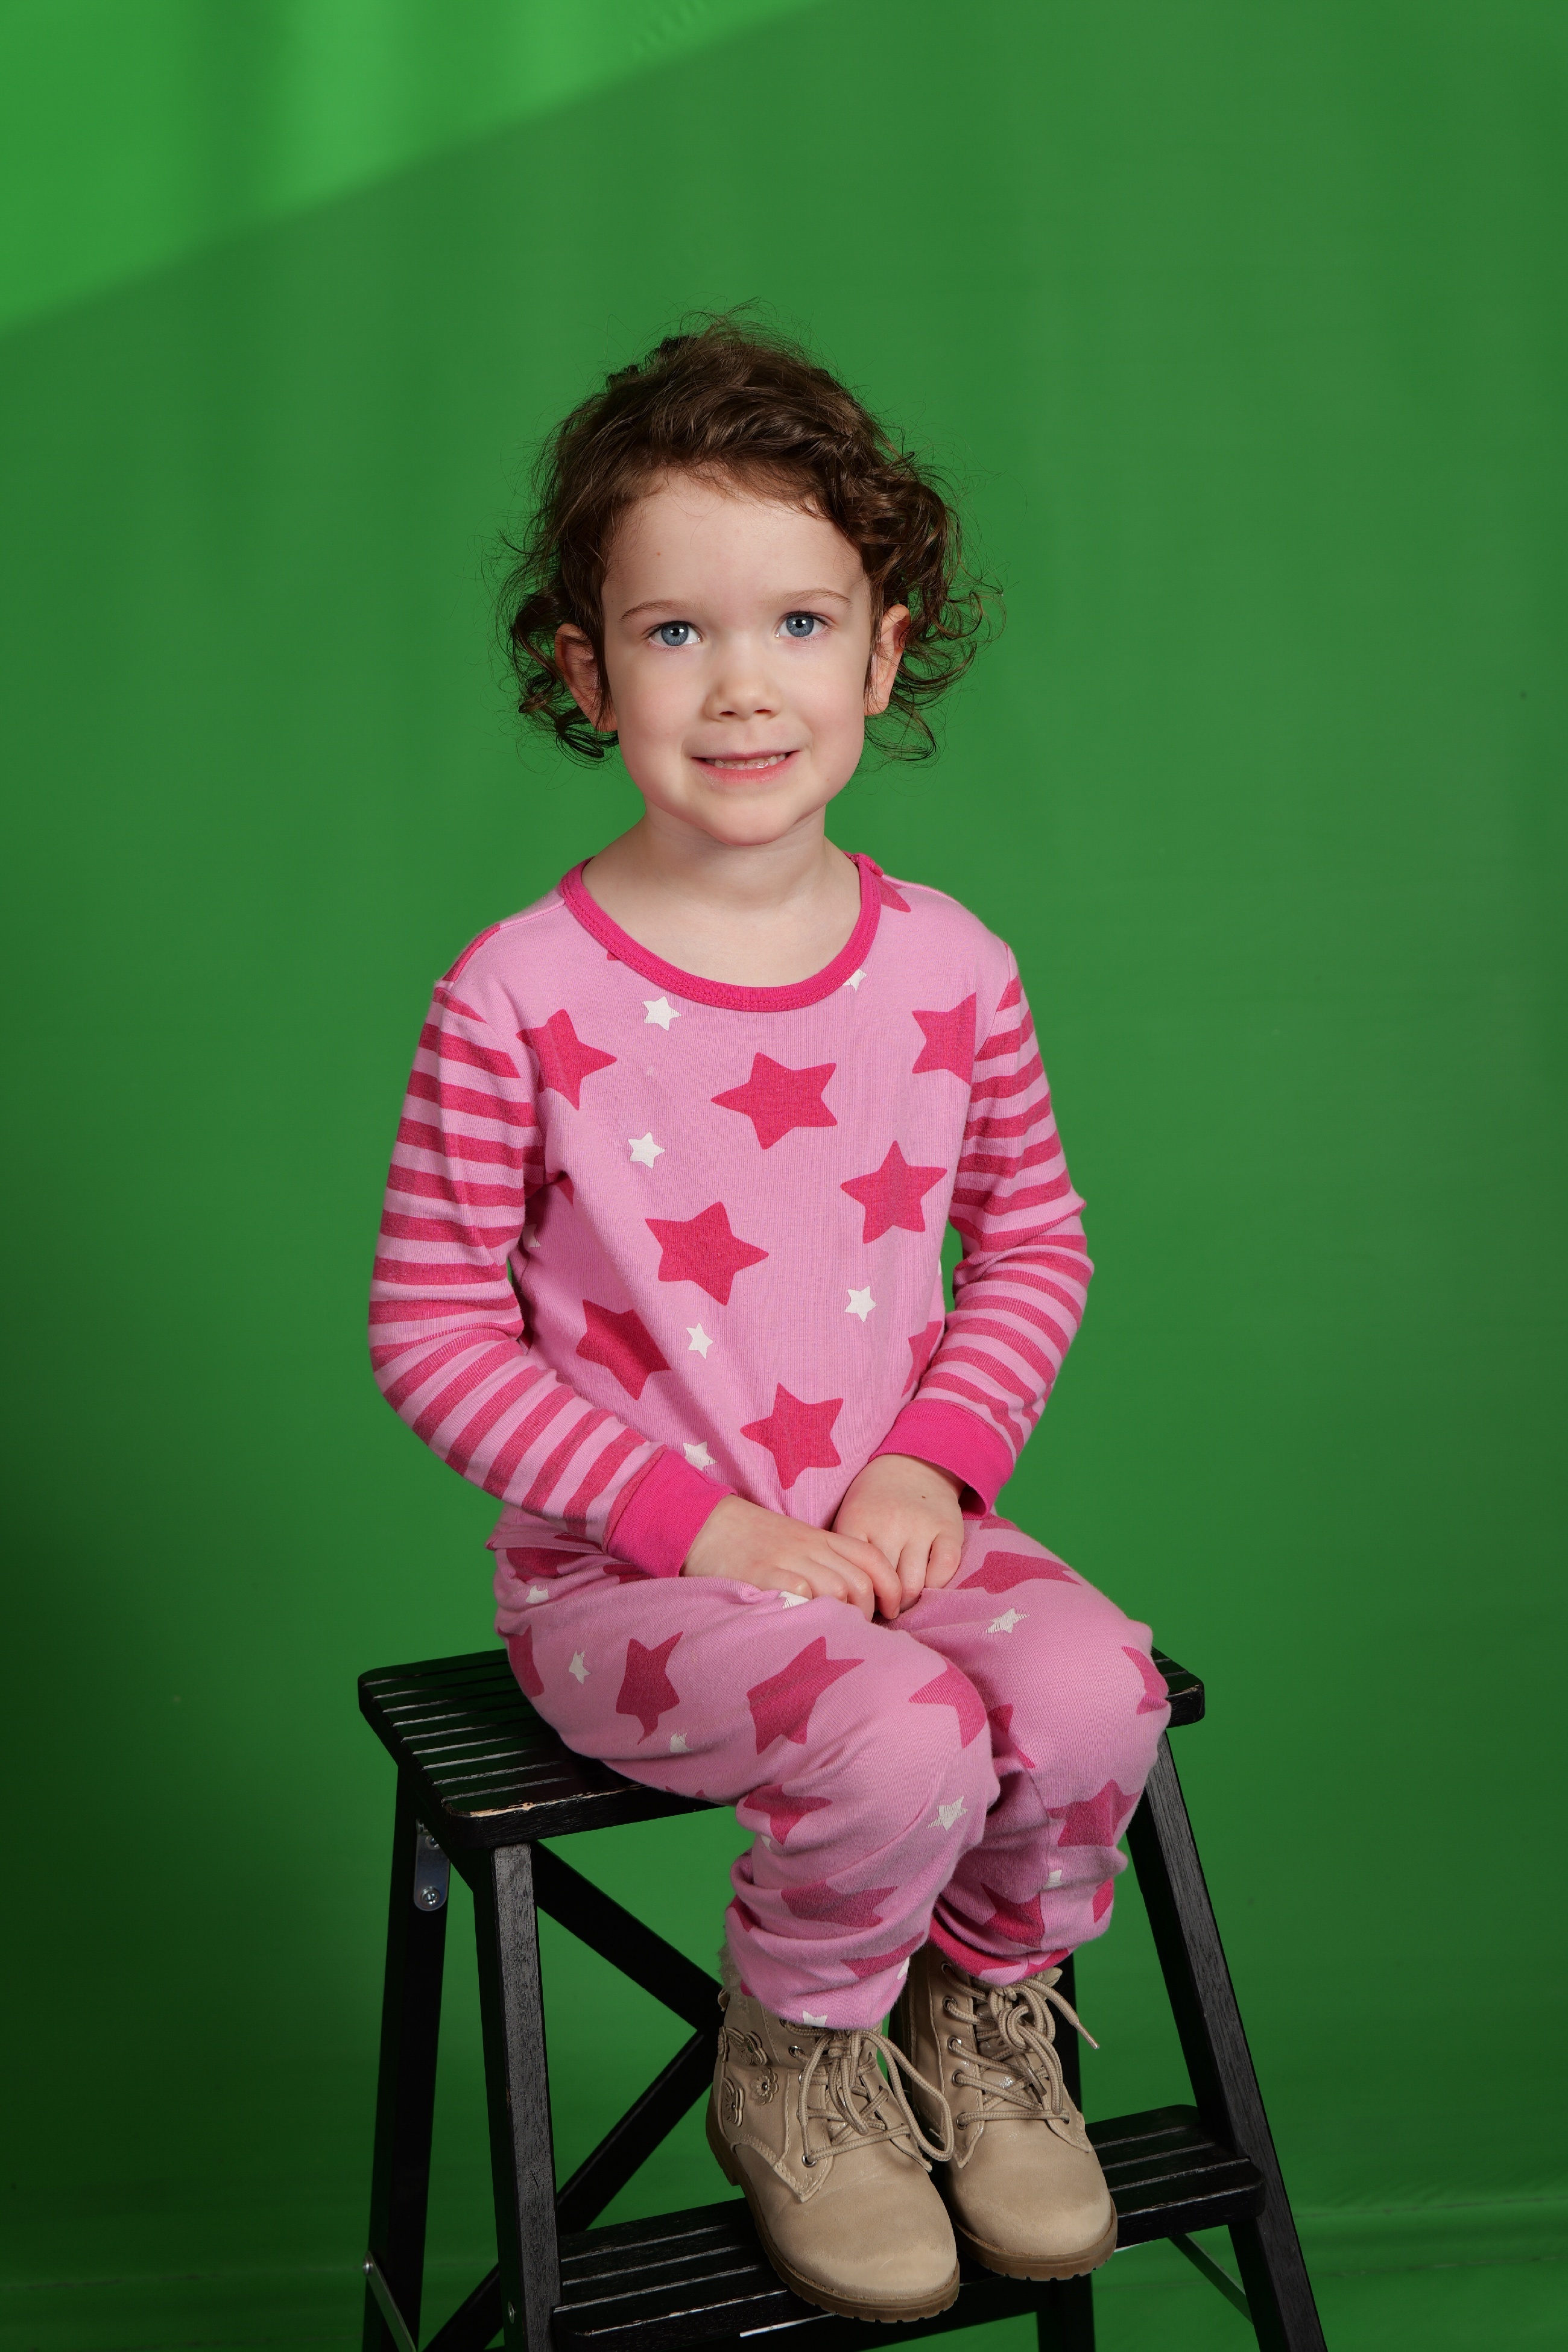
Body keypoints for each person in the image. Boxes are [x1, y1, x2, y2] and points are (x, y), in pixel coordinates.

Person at [368, 321, 1170, 2325]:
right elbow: (433, 1332)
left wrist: (931, 1468)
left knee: (1097, 1690)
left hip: (902, 1538)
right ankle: (802, 2055)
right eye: (676, 633)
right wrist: (701, 1525)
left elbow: (1040, 1241)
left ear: (882, 657)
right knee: (902, 1731)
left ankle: (984, 2015)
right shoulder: (517, 994)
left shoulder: (956, 968)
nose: (743, 684)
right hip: (633, 1587)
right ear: (587, 672)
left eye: (798, 623)